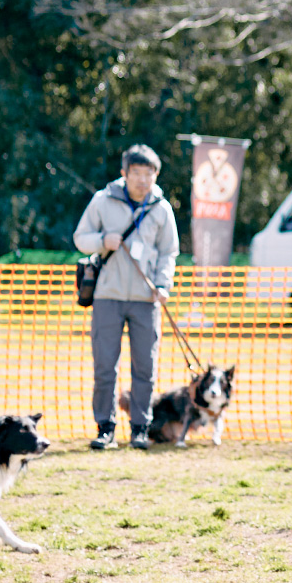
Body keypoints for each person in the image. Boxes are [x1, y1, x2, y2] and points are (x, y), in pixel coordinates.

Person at [73, 144, 179, 451]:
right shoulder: (102, 200)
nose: (143, 180)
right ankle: (105, 428)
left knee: (145, 366)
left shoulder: (162, 208)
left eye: (149, 174)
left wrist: (163, 285)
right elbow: (81, 238)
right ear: (124, 173)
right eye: (136, 173)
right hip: (108, 296)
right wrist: (102, 241)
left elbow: (169, 252)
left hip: (147, 299)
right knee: (105, 365)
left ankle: (140, 428)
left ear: (156, 175)